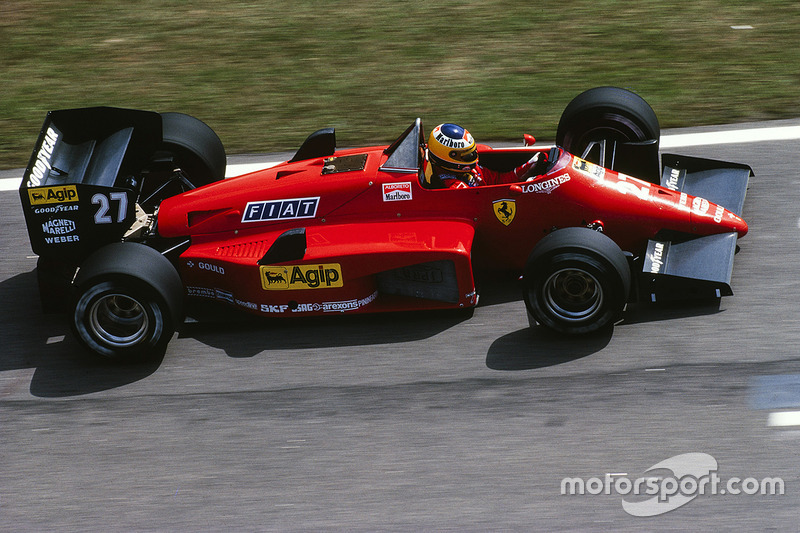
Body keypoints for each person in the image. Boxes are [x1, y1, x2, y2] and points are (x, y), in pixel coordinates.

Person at [423, 123, 547, 189]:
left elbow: (496, 180)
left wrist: (526, 168)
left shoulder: (469, 170)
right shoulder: (454, 187)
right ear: (449, 157)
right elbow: (486, 199)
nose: (473, 157)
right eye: (466, 155)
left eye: (472, 151)